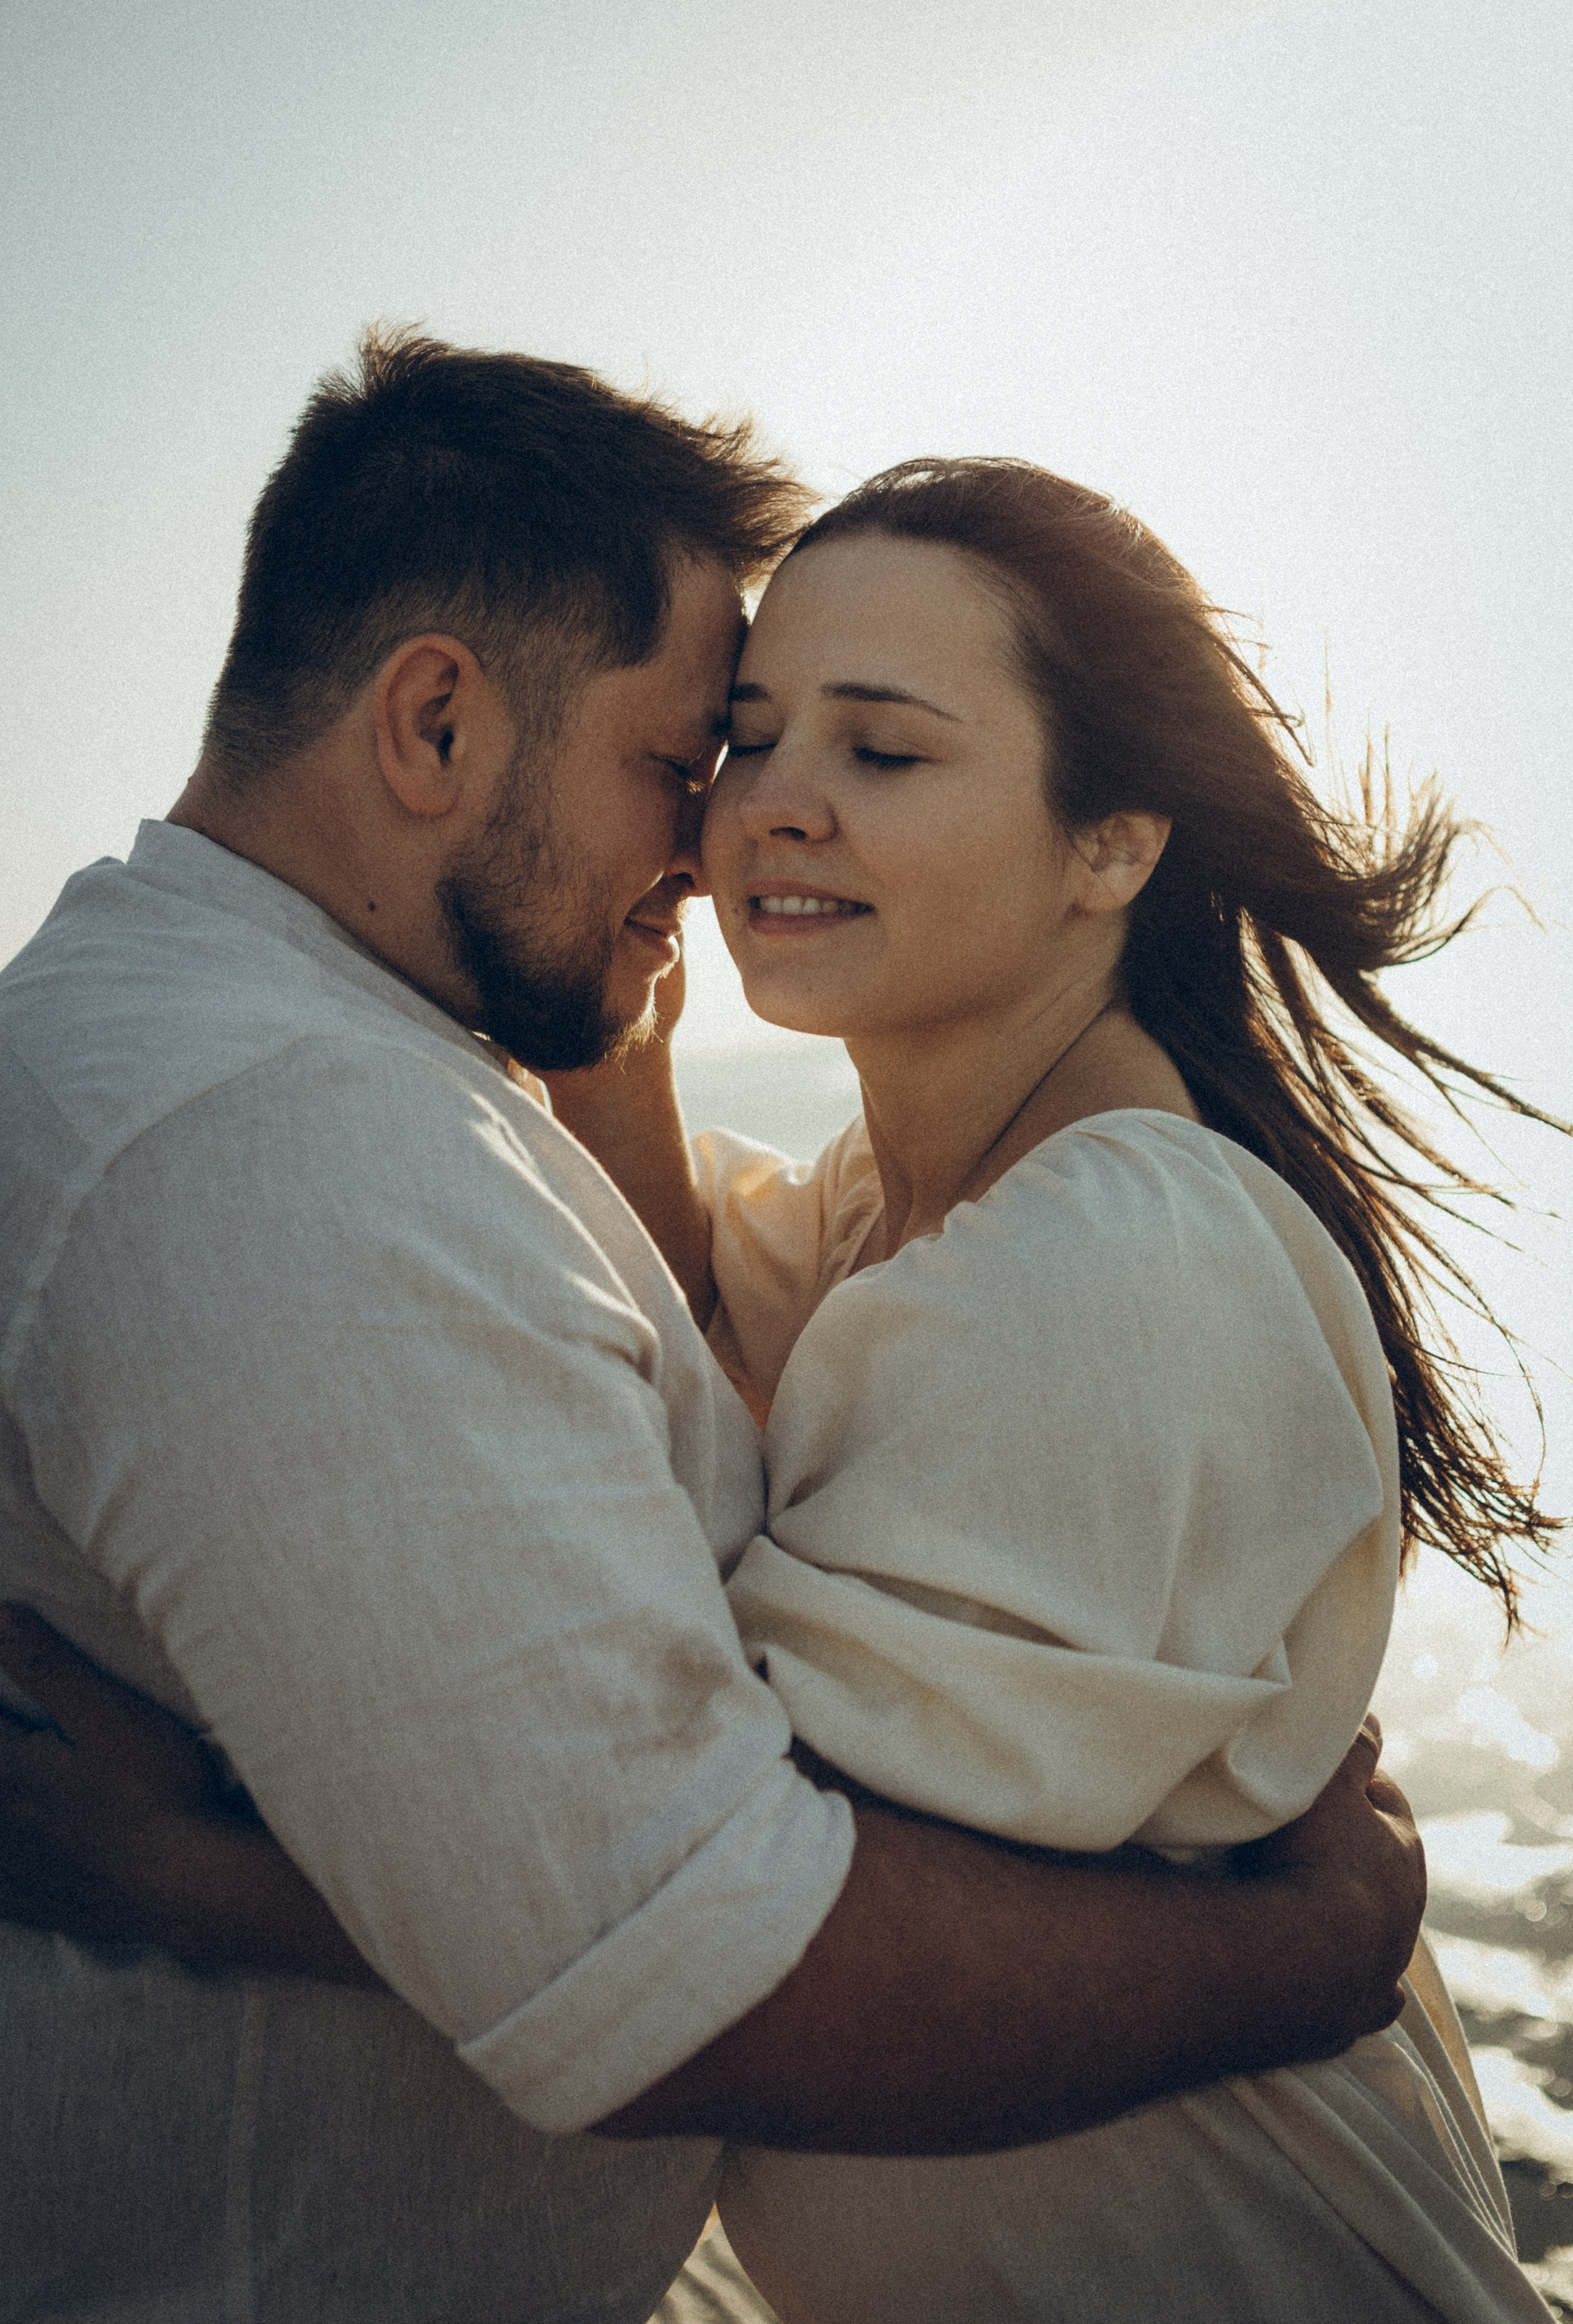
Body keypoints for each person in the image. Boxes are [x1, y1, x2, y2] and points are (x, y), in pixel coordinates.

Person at [0, 335, 1424, 2323]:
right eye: (719, 749)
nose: (734, 827)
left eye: (885, 750)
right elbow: (710, 1432)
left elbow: (738, 1877)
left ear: (1112, 842)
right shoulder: (800, 1216)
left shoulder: (1109, 1263)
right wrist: (616, 1053)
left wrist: (182, 1862)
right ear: (434, 729)